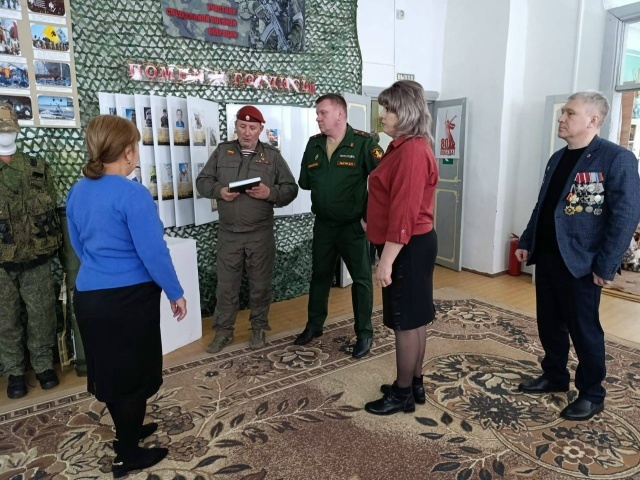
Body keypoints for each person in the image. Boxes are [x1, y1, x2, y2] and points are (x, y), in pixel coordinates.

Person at [66, 115, 187, 477]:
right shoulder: (133, 193)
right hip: (128, 300)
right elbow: (154, 253)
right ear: (128, 151)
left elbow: (78, 245)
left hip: (89, 297)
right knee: (134, 377)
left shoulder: (78, 190)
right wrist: (175, 292)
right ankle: (128, 455)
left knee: (112, 373)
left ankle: (127, 433)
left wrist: (101, 267)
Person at [516, 91, 640, 421]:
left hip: (582, 262)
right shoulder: (557, 158)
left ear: (593, 120)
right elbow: (543, 206)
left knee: (584, 330)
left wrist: (606, 264)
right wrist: (527, 239)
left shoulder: (616, 159)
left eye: (570, 113)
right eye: (563, 112)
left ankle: (592, 393)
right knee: (549, 323)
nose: (561, 118)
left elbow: (626, 216)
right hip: (548, 256)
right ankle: (555, 375)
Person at [361, 81, 438, 415]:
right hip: (414, 243)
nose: (382, 115)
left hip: (406, 246)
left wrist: (386, 261)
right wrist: (374, 222)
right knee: (416, 317)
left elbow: (405, 213)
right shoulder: (407, 146)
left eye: (388, 109)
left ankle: (402, 393)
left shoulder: (410, 151)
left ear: (405, 112)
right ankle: (415, 382)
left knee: (405, 321)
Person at [196, 105, 298, 353]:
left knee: (260, 285)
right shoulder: (223, 152)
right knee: (226, 286)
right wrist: (219, 191)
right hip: (229, 234)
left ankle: (258, 329)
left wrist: (269, 192)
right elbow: (202, 181)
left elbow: (290, 188)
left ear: (261, 129)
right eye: (242, 126)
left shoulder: (272, 156)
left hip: (260, 234)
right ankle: (223, 332)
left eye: (252, 127)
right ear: (236, 126)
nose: (247, 132)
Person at [293, 93, 383, 359]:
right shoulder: (314, 144)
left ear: (340, 113)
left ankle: (364, 333)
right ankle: (314, 325)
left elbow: (382, 183)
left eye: (323, 113)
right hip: (323, 225)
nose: (318, 118)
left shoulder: (364, 143)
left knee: (361, 280)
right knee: (319, 276)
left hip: (352, 227)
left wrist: (369, 217)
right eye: (317, 114)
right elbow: (305, 181)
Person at [0, 101, 62, 399]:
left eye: (9, 129)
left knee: (42, 313)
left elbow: (52, 209)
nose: (6, 134)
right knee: (5, 319)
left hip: (36, 257)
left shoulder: (38, 168)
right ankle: (13, 371)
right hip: (1, 263)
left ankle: (42, 364)